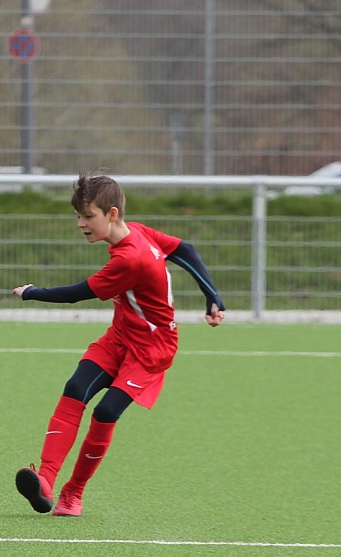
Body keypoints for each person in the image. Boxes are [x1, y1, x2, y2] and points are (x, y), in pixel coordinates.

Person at [12, 172, 225, 517]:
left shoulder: (130, 258)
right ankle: (45, 479)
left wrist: (33, 292)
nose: (81, 224)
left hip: (152, 349)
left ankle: (73, 493)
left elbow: (77, 293)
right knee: (75, 388)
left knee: (105, 412)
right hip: (120, 337)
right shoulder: (137, 231)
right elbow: (184, 249)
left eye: (88, 216)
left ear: (111, 214)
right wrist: (212, 296)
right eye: (78, 216)